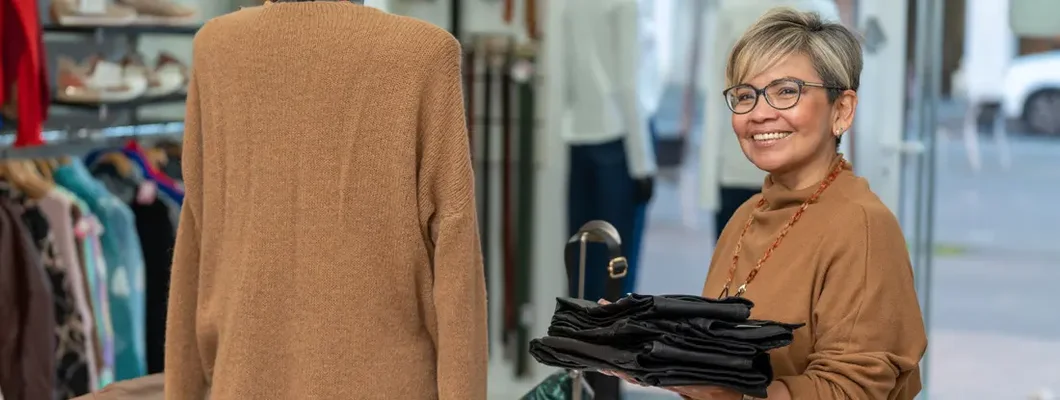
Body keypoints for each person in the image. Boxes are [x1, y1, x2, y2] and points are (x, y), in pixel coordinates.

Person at [164, 1, 488, 399]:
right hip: (385, 383)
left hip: (244, 376)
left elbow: (196, 228)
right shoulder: (421, 54)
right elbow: (455, 257)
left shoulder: (215, 46)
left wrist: (182, 389)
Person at [608, 7, 927, 400]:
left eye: (786, 91)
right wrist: (645, 341)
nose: (759, 113)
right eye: (745, 95)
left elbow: (850, 390)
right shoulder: (746, 217)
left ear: (841, 110)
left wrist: (726, 393)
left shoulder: (862, 226)